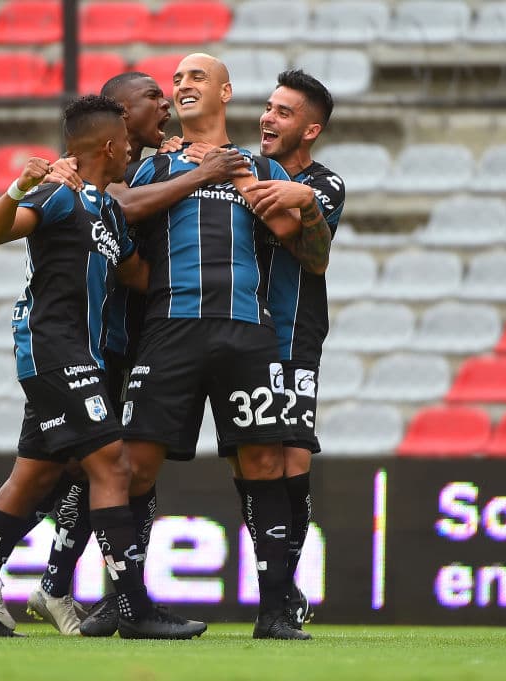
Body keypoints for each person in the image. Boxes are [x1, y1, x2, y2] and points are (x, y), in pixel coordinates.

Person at [0, 95, 204, 640]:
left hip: (80, 354)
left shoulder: (108, 210)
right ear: (109, 145)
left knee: (34, 473)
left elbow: (138, 275)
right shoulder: (59, 195)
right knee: (112, 467)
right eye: (126, 141)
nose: (133, 146)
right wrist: (19, 185)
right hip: (54, 350)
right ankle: (135, 609)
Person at [77, 53, 310, 641]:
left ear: (226, 92)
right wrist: (200, 174)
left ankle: (275, 612)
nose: (181, 86)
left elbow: (301, 243)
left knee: (263, 462)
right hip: (169, 328)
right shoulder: (154, 166)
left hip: (245, 330)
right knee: (135, 464)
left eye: (195, 77)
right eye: (175, 79)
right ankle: (126, 601)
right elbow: (115, 207)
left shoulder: (259, 166)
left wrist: (290, 198)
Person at [188, 70, 344, 632]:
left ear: (310, 129)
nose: (267, 119)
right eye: (269, 108)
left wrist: (304, 199)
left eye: (282, 112)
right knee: (250, 460)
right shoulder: (244, 172)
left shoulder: (327, 184)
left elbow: (315, 257)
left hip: (296, 334)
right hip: (242, 334)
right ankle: (279, 587)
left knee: (294, 459)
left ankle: (281, 589)